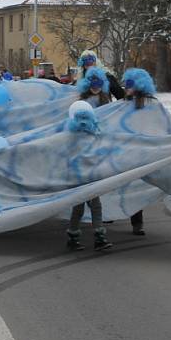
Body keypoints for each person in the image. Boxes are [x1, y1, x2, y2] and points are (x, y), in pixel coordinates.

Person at [67, 67, 113, 251]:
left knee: (92, 205)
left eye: (99, 83)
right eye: (93, 83)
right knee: (82, 206)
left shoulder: (105, 102)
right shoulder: (75, 133)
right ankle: (81, 236)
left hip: (90, 171)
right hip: (82, 174)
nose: (96, 87)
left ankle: (93, 236)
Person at [121, 68, 159, 236]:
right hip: (128, 153)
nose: (126, 88)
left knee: (138, 188)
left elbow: (161, 126)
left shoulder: (152, 105)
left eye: (129, 85)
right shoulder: (123, 105)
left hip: (144, 153)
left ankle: (138, 222)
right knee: (129, 188)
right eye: (125, 85)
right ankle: (134, 220)